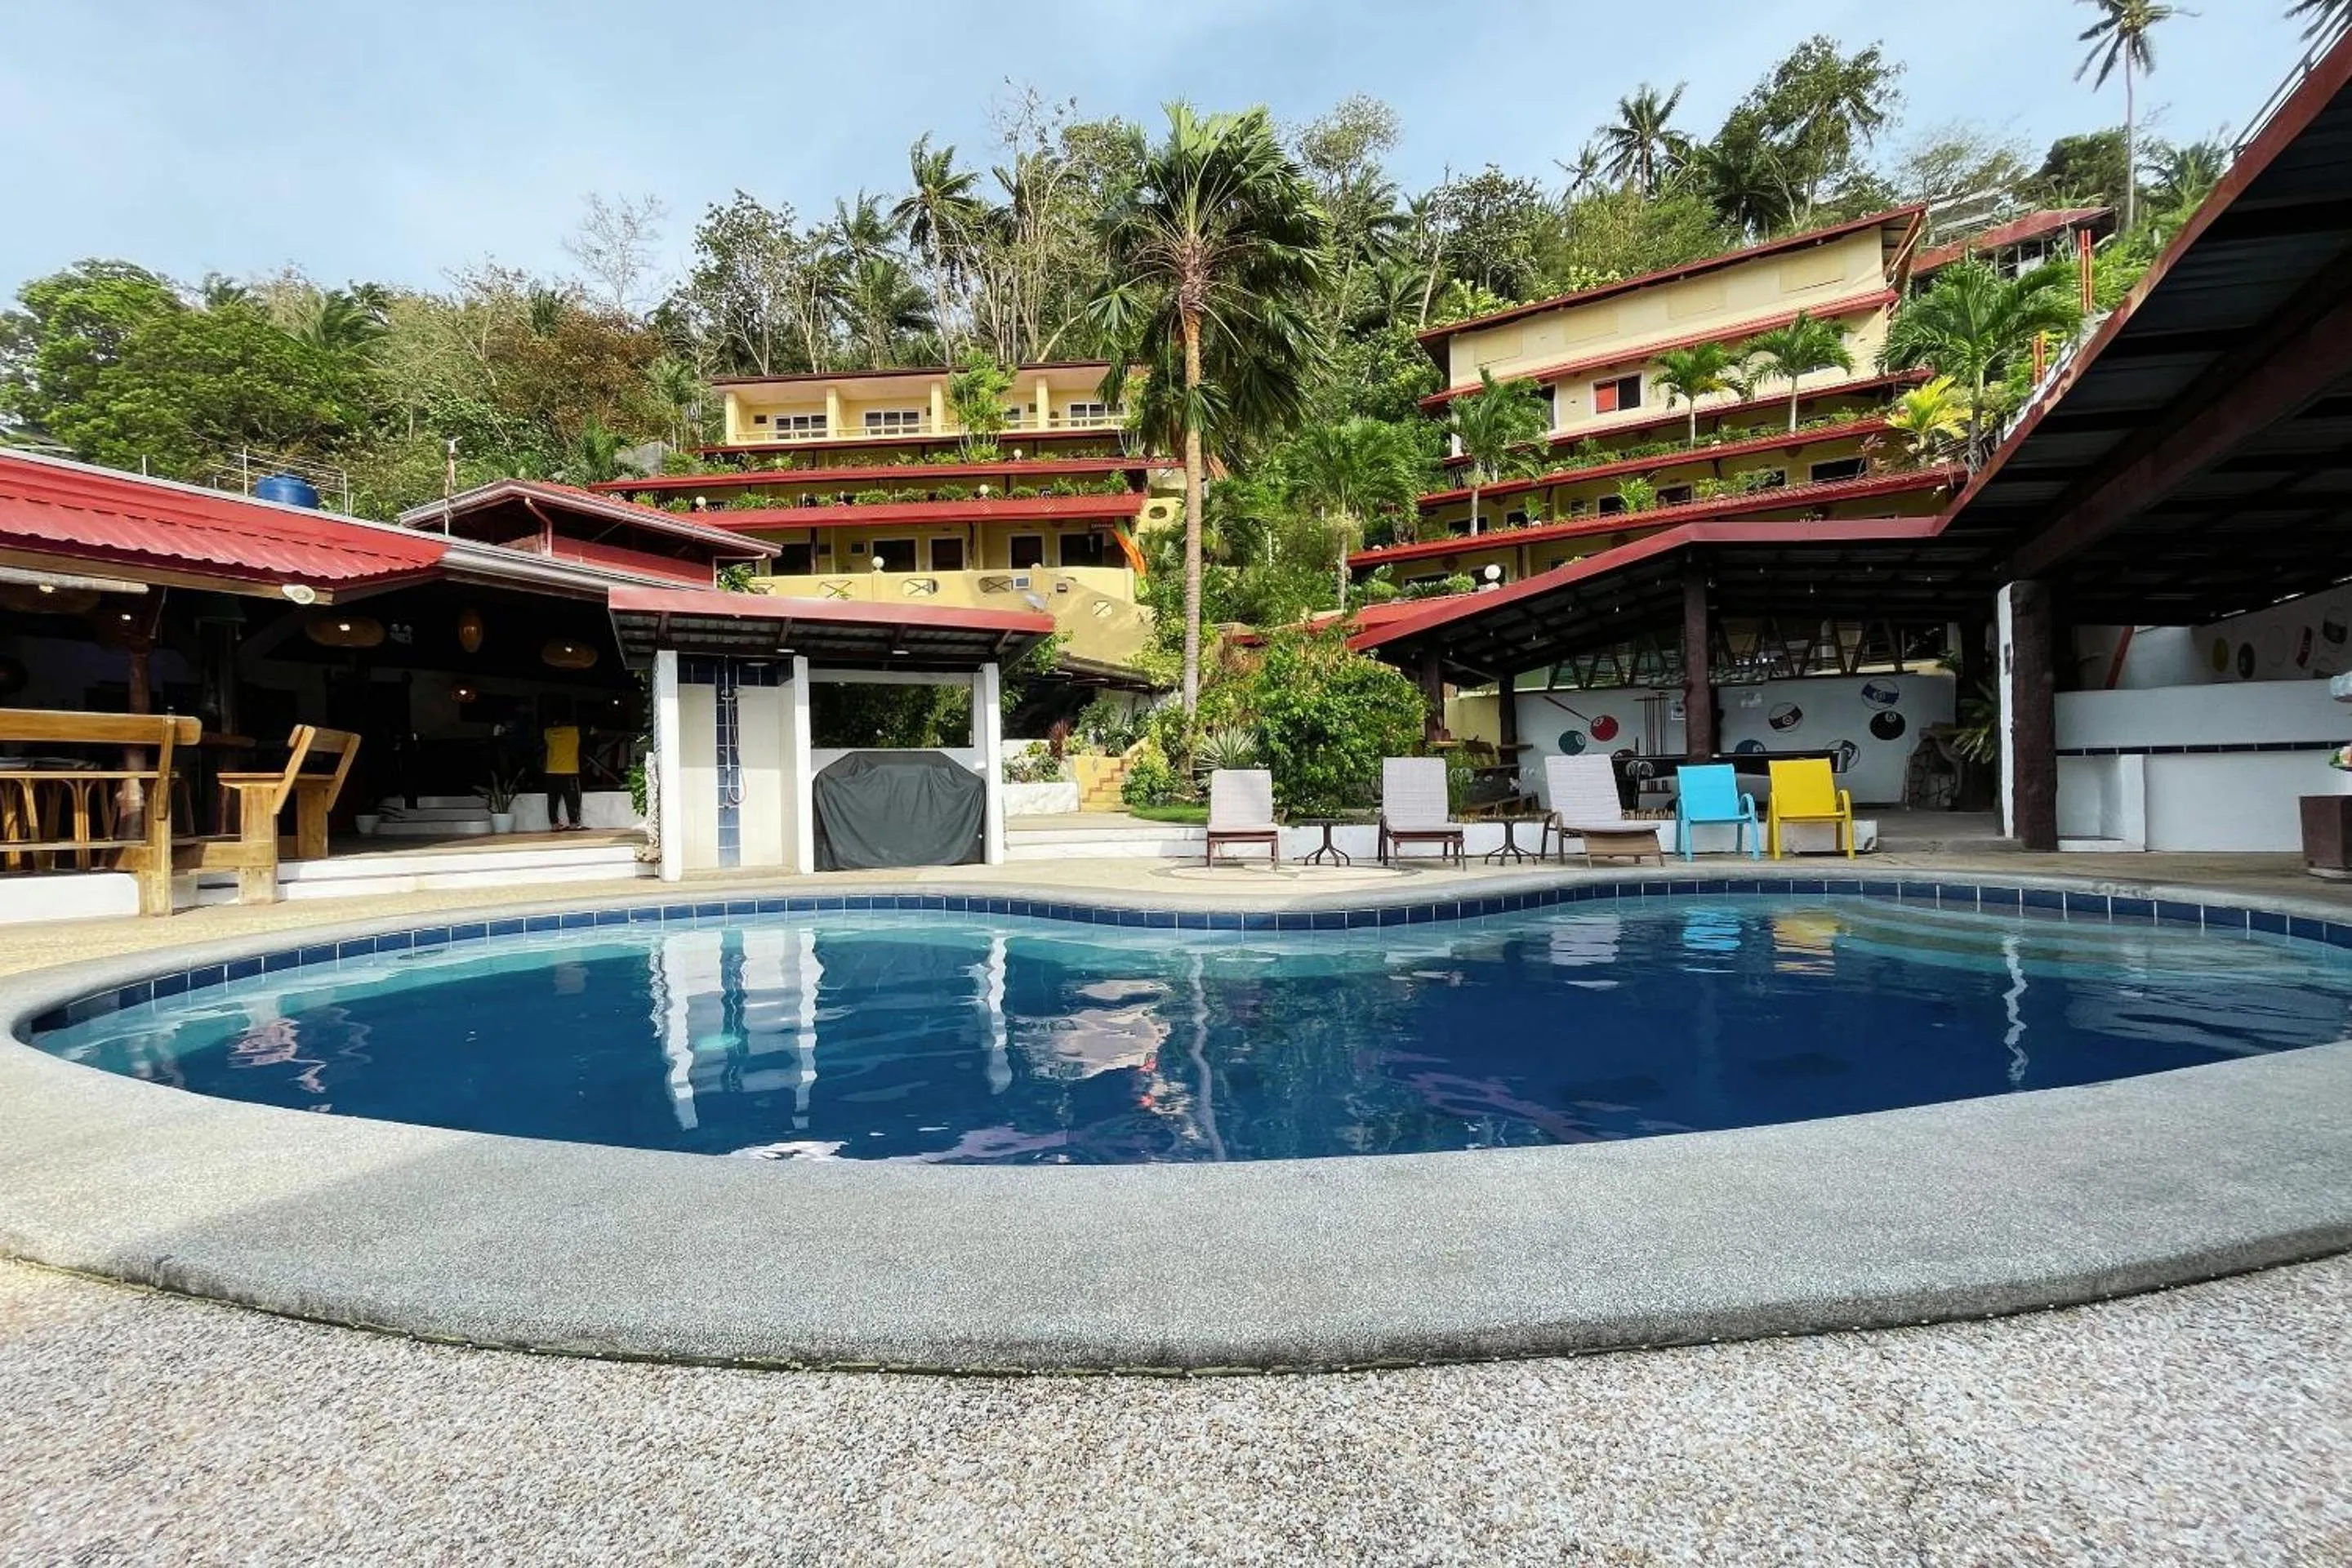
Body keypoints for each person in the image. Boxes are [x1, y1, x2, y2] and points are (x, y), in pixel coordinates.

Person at [542, 701, 584, 831]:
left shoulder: (548, 733)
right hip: (569, 770)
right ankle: (573, 823)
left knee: (553, 800)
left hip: (552, 770)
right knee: (572, 799)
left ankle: (554, 824)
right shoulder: (574, 732)